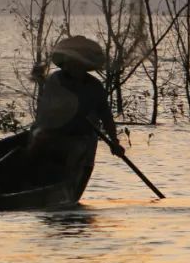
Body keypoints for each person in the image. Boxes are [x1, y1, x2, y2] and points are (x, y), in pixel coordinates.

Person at [28, 36, 125, 178]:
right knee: (36, 142)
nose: (71, 66)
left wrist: (114, 142)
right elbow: (46, 114)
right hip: (54, 134)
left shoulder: (95, 86)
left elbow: (106, 116)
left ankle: (65, 178)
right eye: (69, 62)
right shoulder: (55, 81)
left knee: (76, 150)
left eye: (75, 62)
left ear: (83, 65)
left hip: (82, 138)